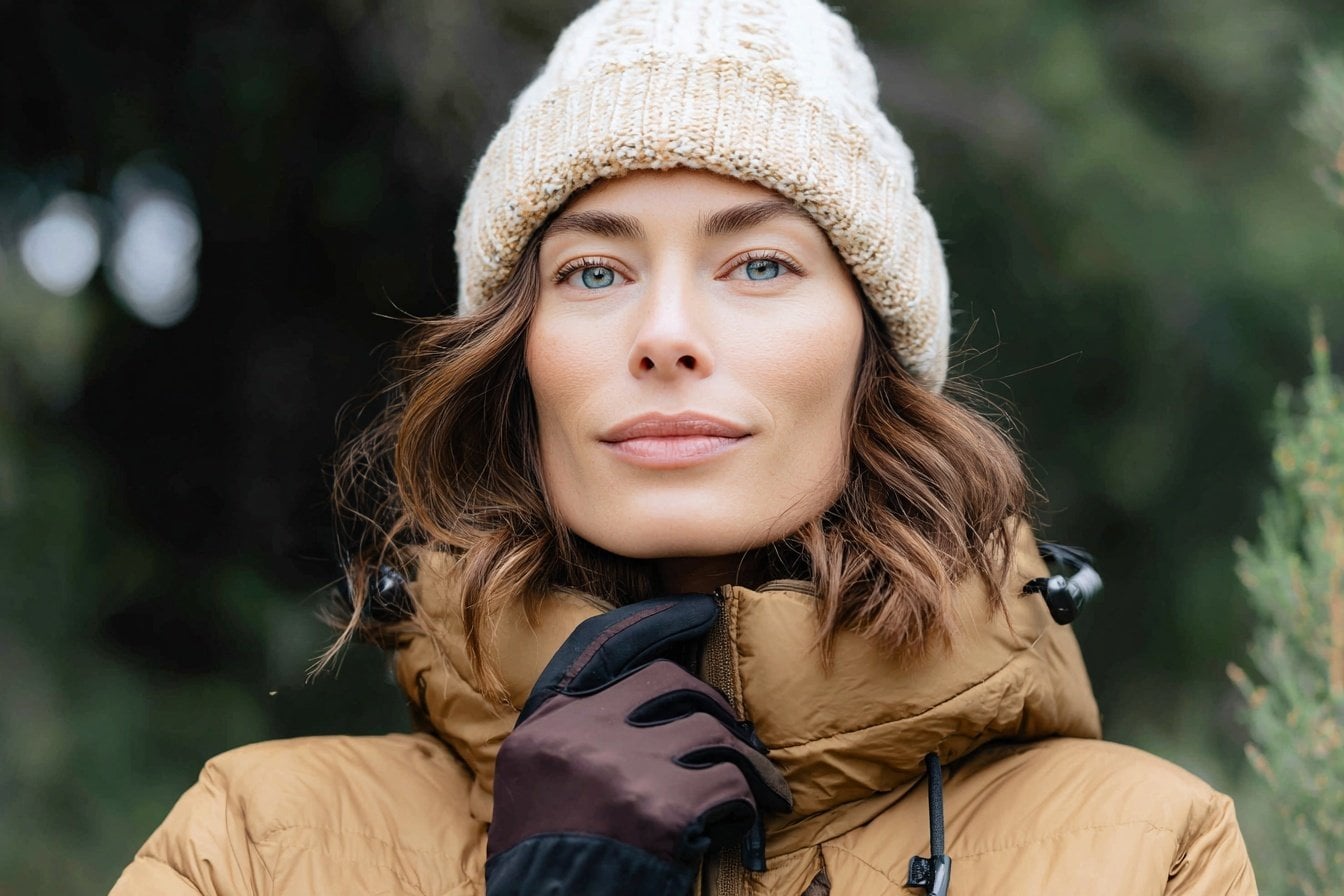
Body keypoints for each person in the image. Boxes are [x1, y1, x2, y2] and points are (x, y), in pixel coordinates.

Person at [111, 0, 1258, 893]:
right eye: (594, 271)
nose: (664, 333)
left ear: (874, 356)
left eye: (758, 263)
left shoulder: (1146, 847)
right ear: (518, 356)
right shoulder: (251, 842)